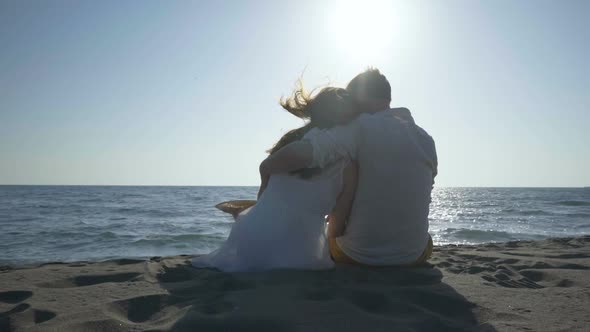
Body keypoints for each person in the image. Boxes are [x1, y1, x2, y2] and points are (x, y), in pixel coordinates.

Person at [259, 68, 438, 266]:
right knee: (427, 241)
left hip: (357, 256)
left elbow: (302, 153)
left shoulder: (358, 127)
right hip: (414, 255)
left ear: (359, 98)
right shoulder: (426, 139)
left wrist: (266, 168)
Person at [192, 85, 359, 272]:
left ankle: (247, 218)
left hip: (253, 245)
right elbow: (337, 223)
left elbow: (265, 167)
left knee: (263, 219)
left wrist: (262, 201)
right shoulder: (348, 165)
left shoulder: (292, 141)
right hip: (301, 255)